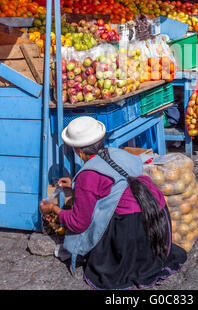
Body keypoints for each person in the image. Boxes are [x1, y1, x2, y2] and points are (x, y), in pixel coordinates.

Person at [40, 116, 187, 290]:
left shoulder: (87, 176)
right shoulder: (119, 153)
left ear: (79, 152)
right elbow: (115, 180)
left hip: (132, 228)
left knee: (103, 261)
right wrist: (74, 184)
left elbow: (79, 223)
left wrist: (55, 209)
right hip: (157, 214)